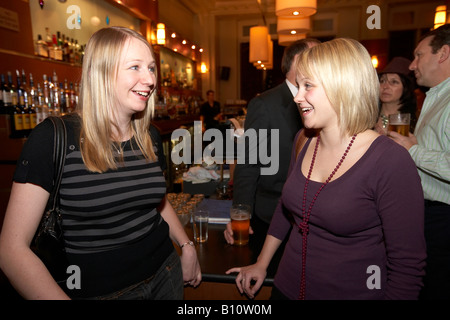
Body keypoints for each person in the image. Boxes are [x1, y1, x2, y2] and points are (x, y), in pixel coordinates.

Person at [0, 26, 201, 300]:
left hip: (166, 274)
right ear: (101, 72)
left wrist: (186, 245)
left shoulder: (149, 136)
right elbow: (11, 251)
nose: (150, 79)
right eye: (135, 67)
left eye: (151, 68)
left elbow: (157, 201)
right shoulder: (53, 138)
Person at [227, 38, 426, 300]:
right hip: (285, 288)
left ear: (341, 87)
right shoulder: (303, 140)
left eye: (307, 86)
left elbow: (407, 267)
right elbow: (286, 208)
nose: (297, 97)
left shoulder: (390, 161)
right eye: (298, 85)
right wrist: (262, 263)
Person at [224, 39, 320, 252]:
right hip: (272, 214)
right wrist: (241, 214)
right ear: (297, 61)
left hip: (313, 216)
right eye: (317, 56)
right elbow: (248, 164)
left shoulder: (325, 100)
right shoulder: (265, 104)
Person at [388, 24, 450, 300]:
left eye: (418, 55)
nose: (412, 65)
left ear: (443, 54)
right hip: (426, 212)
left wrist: (412, 150)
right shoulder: (435, 96)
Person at [374, 57, 418, 135]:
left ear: (405, 88)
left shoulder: (415, 122)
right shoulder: (368, 117)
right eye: (382, 81)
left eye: (394, 82)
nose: (385, 86)